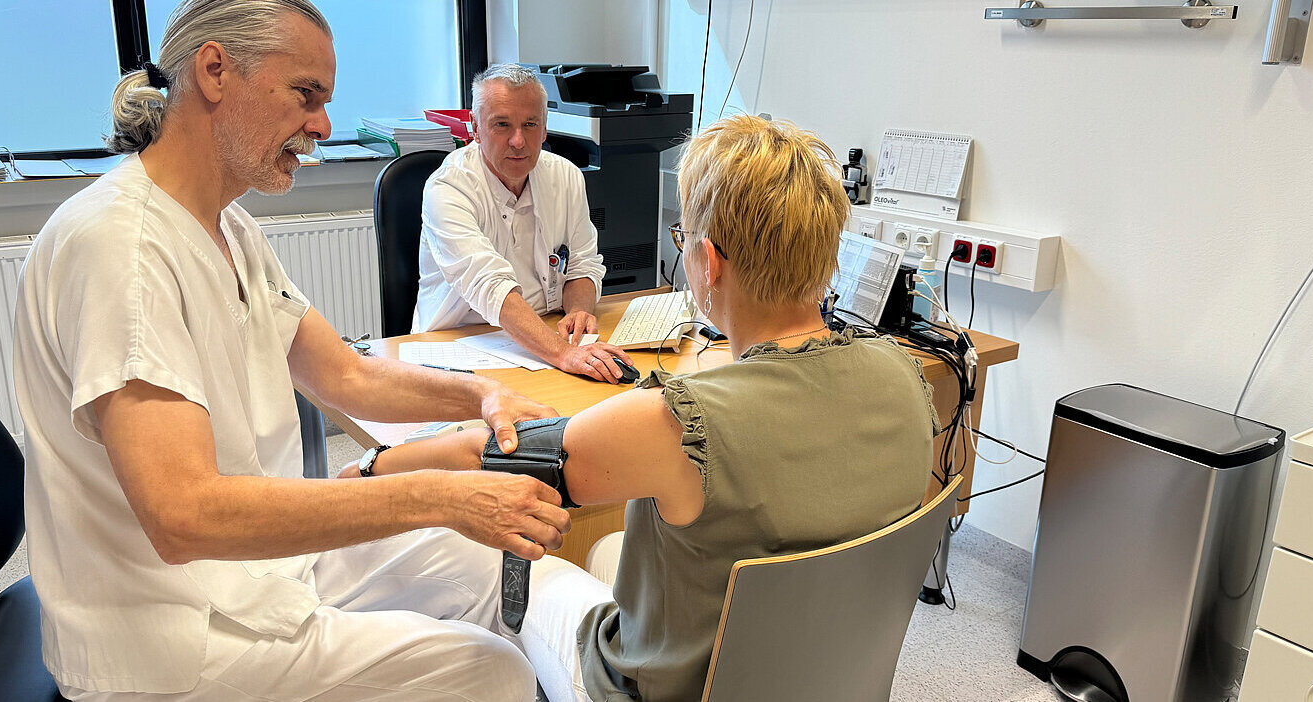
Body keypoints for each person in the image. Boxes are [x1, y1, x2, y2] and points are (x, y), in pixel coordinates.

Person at [13, 0, 571, 702]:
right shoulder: (120, 247)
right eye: (305, 95)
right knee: (490, 672)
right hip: (167, 635)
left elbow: (346, 376)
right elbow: (184, 516)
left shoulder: (227, 225)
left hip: (255, 573)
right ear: (215, 71)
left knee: (493, 567)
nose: (323, 127)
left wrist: (483, 396)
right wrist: (440, 495)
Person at [362, 115, 941, 702]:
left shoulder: (674, 423)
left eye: (682, 237)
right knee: (610, 551)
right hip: (824, 674)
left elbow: (492, 456)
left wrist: (373, 468)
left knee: (518, 567)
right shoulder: (906, 375)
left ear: (709, 262)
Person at [416, 64, 635, 383]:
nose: (518, 141)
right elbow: (490, 286)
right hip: (459, 345)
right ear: (475, 128)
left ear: (544, 129)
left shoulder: (566, 176)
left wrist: (578, 310)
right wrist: (564, 354)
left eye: (530, 124)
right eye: (502, 125)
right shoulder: (448, 188)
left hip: (541, 336)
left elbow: (582, 265)